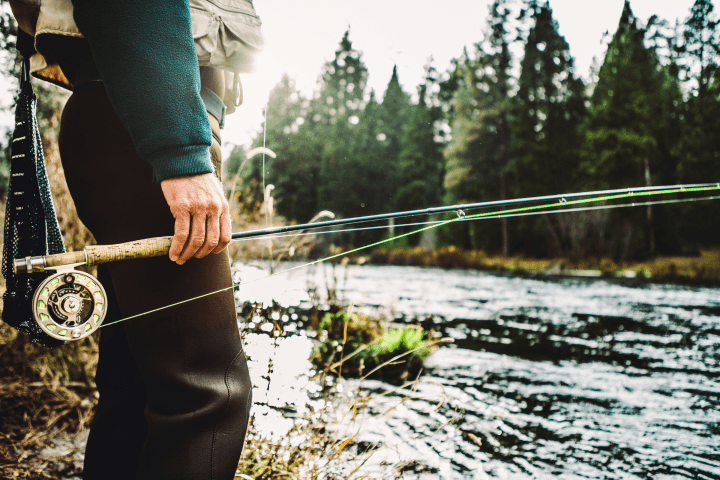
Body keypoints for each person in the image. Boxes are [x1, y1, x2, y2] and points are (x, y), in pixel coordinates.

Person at [11, 0, 263, 478]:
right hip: (144, 132)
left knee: (138, 392)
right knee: (207, 397)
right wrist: (181, 154)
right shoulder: (166, 146)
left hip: (131, 125)